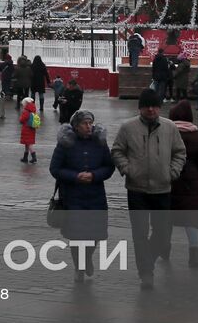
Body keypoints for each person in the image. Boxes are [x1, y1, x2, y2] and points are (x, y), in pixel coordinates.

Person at [110, 89, 186, 289]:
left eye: (154, 105)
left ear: (159, 107)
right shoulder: (128, 128)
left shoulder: (169, 127)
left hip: (163, 188)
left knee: (162, 233)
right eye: (146, 106)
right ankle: (146, 272)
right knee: (140, 233)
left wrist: (173, 172)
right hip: (137, 190)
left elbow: (180, 152)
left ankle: (148, 261)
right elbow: (117, 150)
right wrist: (127, 169)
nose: (151, 109)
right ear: (140, 108)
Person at [48, 109, 114, 282]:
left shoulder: (99, 142)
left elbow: (109, 167)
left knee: (95, 234)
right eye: (85, 123)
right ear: (76, 126)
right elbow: (55, 169)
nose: (89, 126)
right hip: (73, 197)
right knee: (77, 236)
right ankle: (79, 267)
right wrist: (75, 176)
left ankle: (87, 258)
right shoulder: (66, 143)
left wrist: (94, 175)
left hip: (96, 196)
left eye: (90, 122)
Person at [166, 100, 198, 267]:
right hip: (192, 179)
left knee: (167, 216)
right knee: (191, 217)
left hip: (170, 177)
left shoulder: (167, 132)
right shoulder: (197, 135)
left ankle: (164, 248)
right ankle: (194, 250)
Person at [18, 97, 40, 164]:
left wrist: (20, 118)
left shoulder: (26, 111)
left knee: (29, 144)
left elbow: (22, 120)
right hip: (31, 129)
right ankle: (25, 157)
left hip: (26, 129)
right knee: (27, 143)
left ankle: (34, 157)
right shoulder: (33, 110)